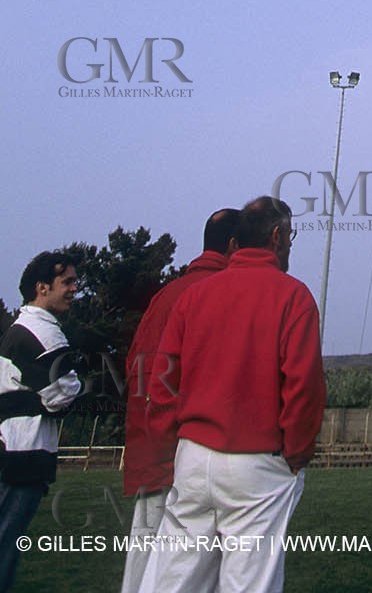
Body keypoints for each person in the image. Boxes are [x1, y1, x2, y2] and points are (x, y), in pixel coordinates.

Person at [146, 196, 325, 593]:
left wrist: (169, 449)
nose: (291, 246)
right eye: (291, 237)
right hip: (257, 464)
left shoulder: (195, 295)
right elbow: (304, 387)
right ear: (276, 236)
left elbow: (162, 382)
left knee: (173, 579)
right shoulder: (294, 296)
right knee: (249, 582)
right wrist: (296, 453)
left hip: (192, 456)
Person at [120, 208, 240, 593]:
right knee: (199, 568)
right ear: (236, 245)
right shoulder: (222, 293)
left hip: (151, 447)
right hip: (194, 455)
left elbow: (137, 369)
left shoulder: (166, 295)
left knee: (144, 558)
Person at [0, 252, 82, 593]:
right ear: (42, 287)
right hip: (22, 455)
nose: (75, 289)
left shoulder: (25, 328)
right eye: (68, 282)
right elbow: (66, 392)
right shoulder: (41, 333)